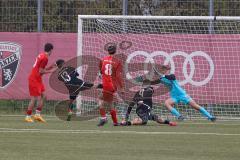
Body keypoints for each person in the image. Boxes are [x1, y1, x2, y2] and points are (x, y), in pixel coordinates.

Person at [151, 65, 216, 121]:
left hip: (182, 95)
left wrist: (161, 75)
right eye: (165, 70)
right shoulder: (162, 78)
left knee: (195, 106)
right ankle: (179, 116)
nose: (167, 71)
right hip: (174, 96)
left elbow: (171, 77)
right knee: (167, 103)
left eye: (167, 70)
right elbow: (154, 81)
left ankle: (210, 117)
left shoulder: (171, 76)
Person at [25, 43, 56, 123]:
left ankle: (37, 115)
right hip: (34, 79)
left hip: (37, 78)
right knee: (34, 98)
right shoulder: (45, 58)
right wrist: (51, 71)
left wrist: (51, 67)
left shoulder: (42, 55)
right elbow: (41, 71)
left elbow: (41, 69)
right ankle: (28, 116)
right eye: (52, 50)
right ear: (51, 50)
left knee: (44, 96)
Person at [98, 45, 124, 126]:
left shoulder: (104, 59)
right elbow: (118, 76)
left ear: (108, 51)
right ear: (115, 51)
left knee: (101, 100)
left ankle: (104, 118)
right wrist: (122, 87)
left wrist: (101, 74)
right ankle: (114, 122)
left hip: (106, 85)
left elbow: (101, 71)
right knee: (109, 102)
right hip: (112, 85)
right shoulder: (117, 61)